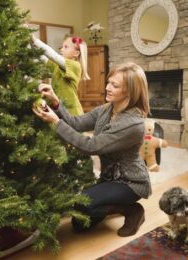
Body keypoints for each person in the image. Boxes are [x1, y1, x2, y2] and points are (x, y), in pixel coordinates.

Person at [32, 62, 152, 237]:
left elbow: (90, 146)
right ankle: (112, 203)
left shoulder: (132, 125)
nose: (107, 88)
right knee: (79, 225)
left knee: (84, 204)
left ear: (129, 91)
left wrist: (55, 122)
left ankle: (133, 210)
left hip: (130, 183)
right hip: (108, 178)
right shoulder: (106, 109)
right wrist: (55, 101)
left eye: (115, 85)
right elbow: (76, 123)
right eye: (108, 82)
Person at [31, 34, 89, 115]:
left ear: (76, 53)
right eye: (62, 46)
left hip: (72, 113)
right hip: (59, 109)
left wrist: (35, 40)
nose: (61, 49)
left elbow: (54, 56)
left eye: (66, 47)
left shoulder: (75, 66)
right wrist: (31, 43)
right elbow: (43, 58)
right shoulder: (57, 66)